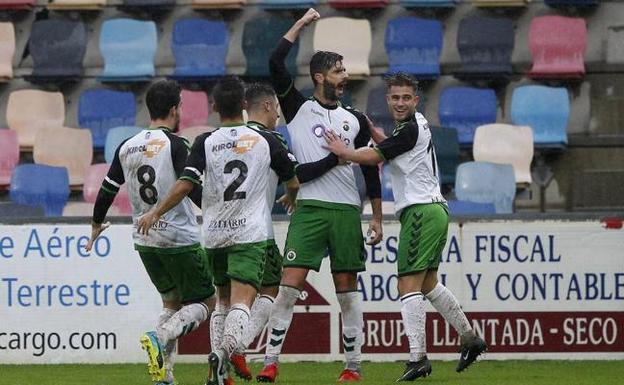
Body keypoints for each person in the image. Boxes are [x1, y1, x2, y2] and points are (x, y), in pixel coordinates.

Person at [323, 72, 487, 381]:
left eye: (405, 98)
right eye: (394, 97)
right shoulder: (413, 127)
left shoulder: (409, 129)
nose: (400, 102)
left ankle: (418, 358)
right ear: (388, 99)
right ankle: (469, 338)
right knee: (427, 284)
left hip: (422, 212)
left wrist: (344, 152)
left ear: (416, 99)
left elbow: (374, 157)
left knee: (406, 286)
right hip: (433, 210)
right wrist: (374, 131)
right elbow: (395, 150)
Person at [137, 76, 300, 385]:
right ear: (243, 105)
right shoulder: (266, 139)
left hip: (213, 235)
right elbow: (292, 178)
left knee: (222, 301)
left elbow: (186, 184)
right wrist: (291, 195)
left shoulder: (204, 142)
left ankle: (220, 372)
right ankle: (223, 354)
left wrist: (155, 211)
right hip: (249, 234)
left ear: (213, 107)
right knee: (242, 302)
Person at [257, 8, 383, 383]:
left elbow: (369, 167)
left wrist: (376, 215)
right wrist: (301, 23)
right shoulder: (298, 108)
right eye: (338, 71)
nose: (345, 76)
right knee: (288, 287)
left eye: (344, 71)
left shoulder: (355, 120)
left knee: (346, 292)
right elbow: (275, 61)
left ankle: (353, 366)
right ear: (319, 76)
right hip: (310, 208)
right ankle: (271, 360)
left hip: (346, 210)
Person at [85, 80, 216, 385]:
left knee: (170, 303)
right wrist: (213, 211)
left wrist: (95, 225)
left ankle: (164, 376)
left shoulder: (127, 145)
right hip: (178, 239)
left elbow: (106, 190)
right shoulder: (175, 144)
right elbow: (190, 187)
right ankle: (160, 336)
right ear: (174, 109)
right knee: (206, 302)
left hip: (145, 241)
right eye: (181, 106)